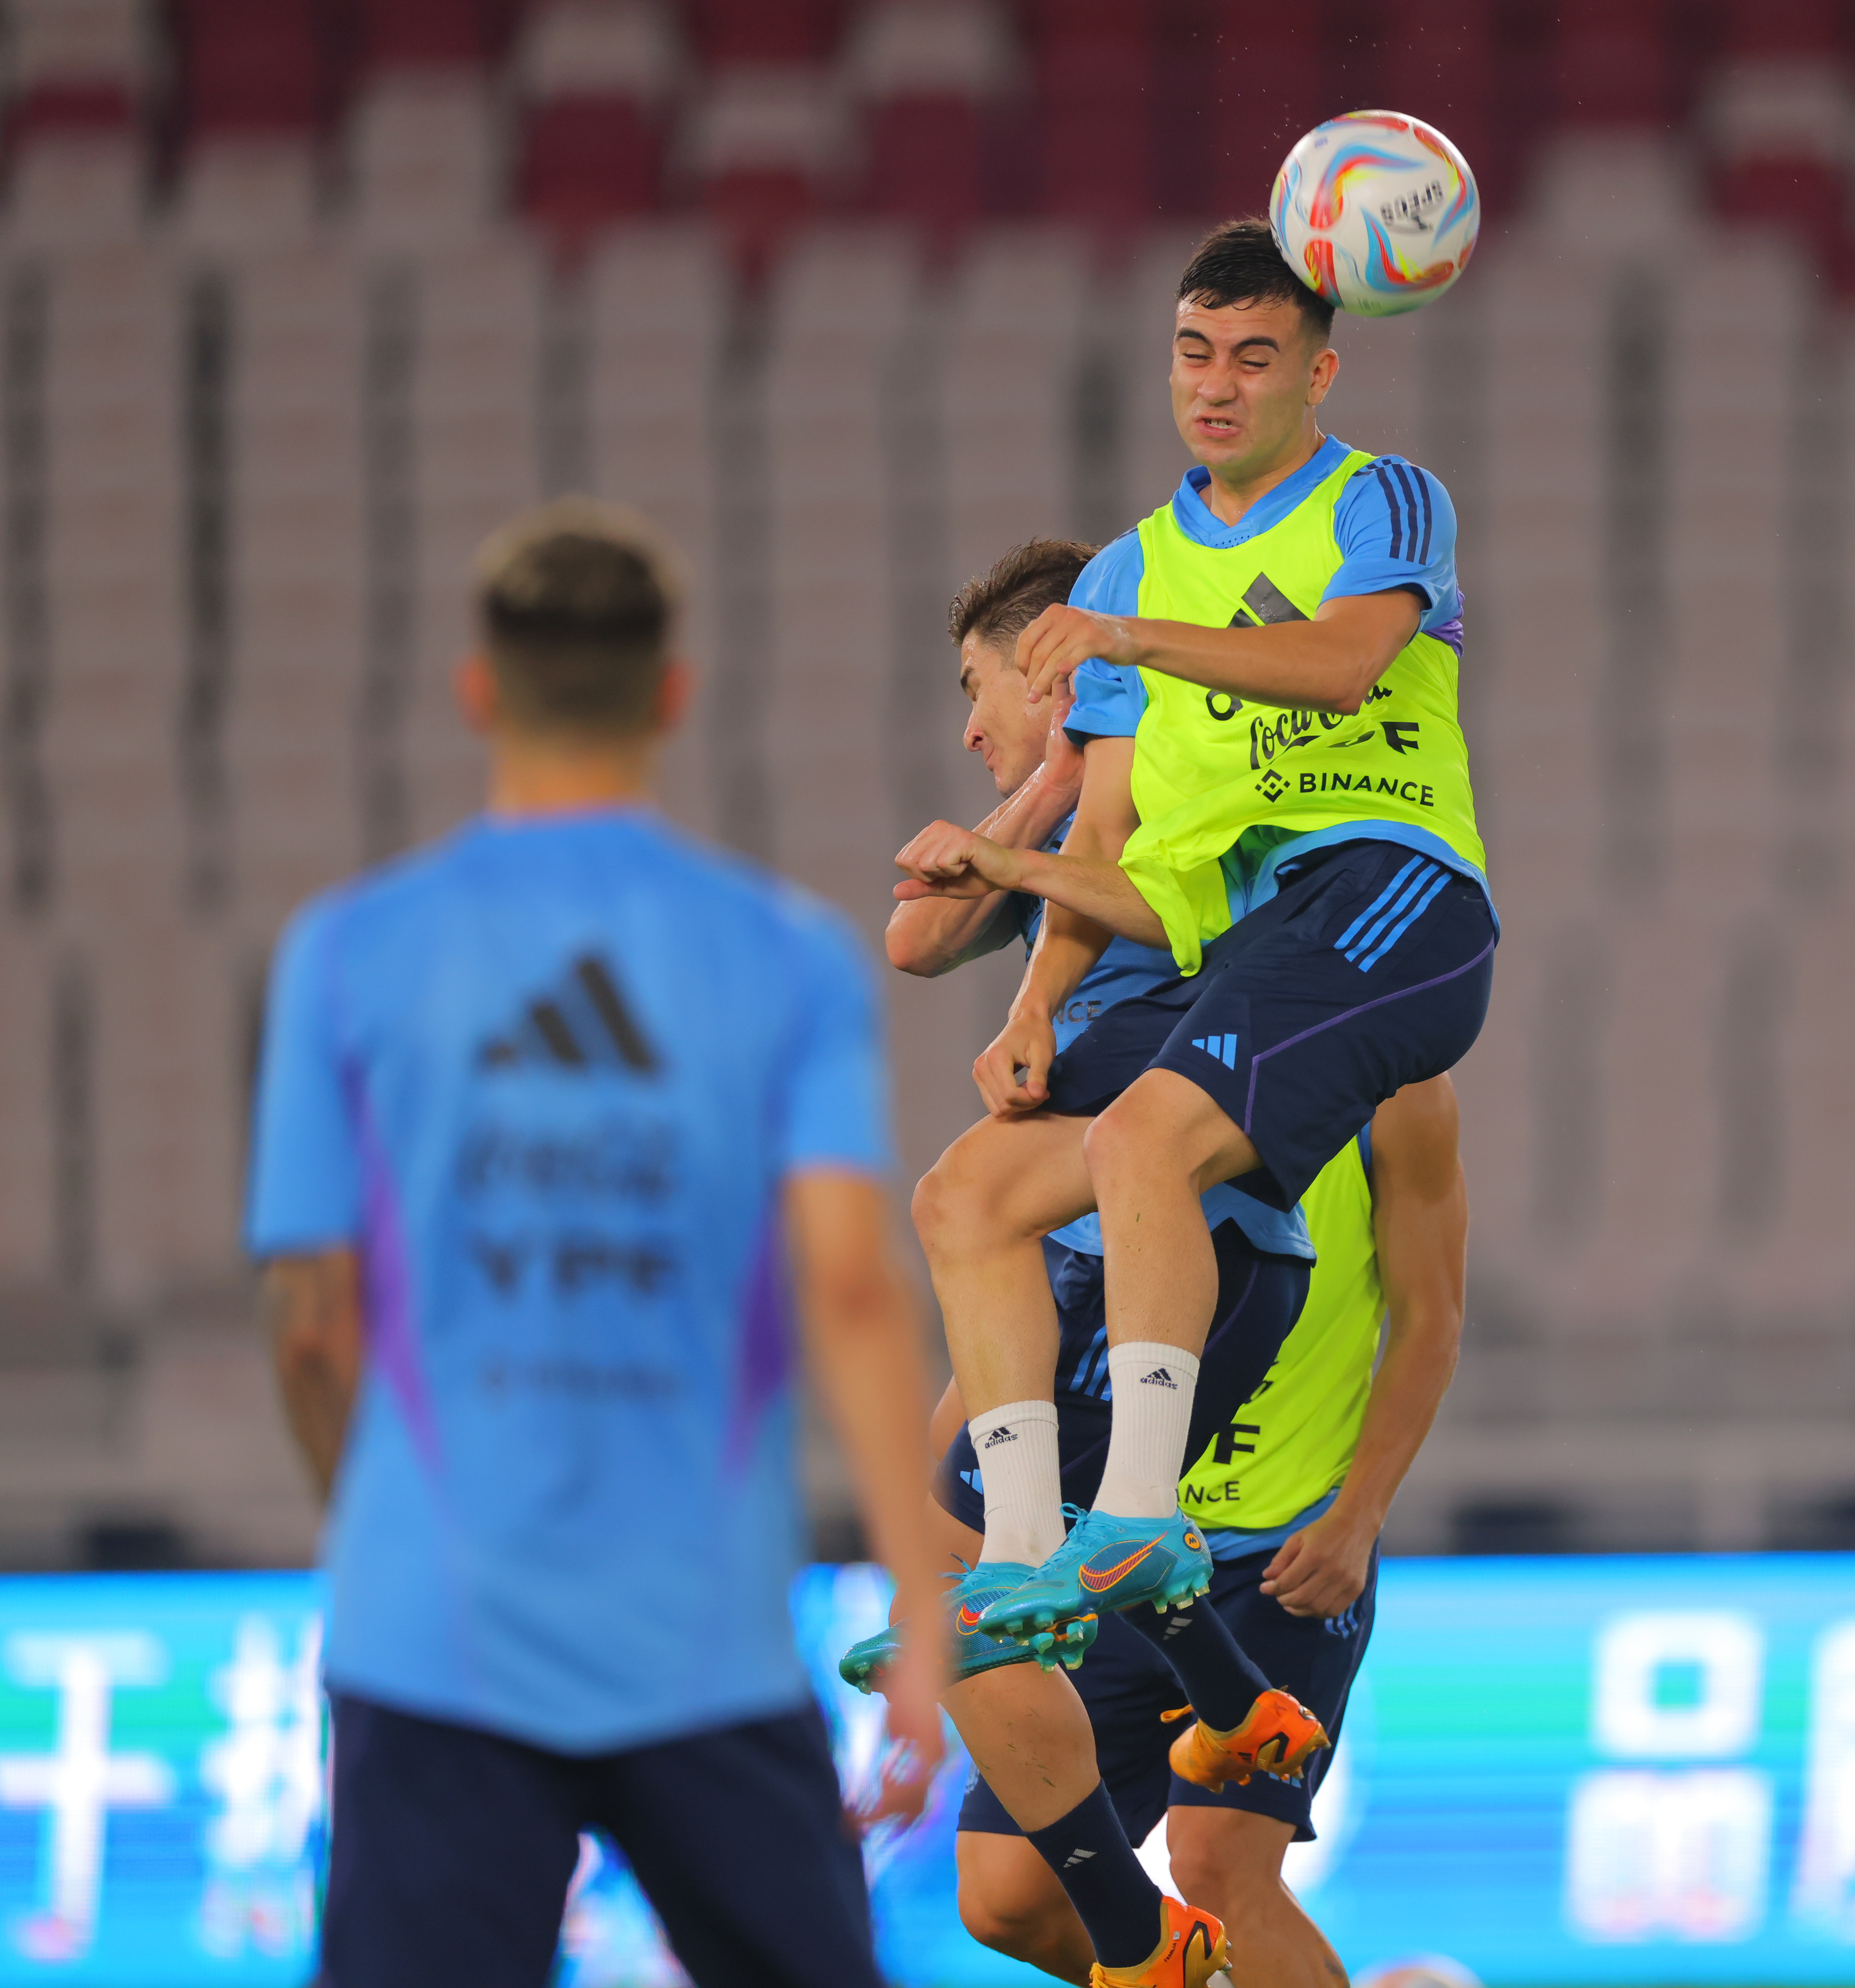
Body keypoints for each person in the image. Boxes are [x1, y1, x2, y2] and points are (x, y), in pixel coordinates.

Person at [249, 500, 949, 1986]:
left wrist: (379, 1517)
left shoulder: (349, 949)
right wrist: (923, 1619)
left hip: (434, 1630)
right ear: (673, 697)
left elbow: (313, 1321)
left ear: (479, 690)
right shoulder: (785, 952)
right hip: (703, 1638)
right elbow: (849, 1286)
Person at [853, 539, 1466, 1988]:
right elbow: (913, 931)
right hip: (1100, 1337)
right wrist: (1050, 778)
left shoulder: (1250, 861)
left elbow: (1431, 1304)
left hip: (1278, 1499)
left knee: (1218, 1863)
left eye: (976, 689)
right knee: (1002, 1895)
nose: (962, 725)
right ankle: (1187, 1787)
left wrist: (1364, 1508)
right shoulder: (1083, 821)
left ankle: (1162, 1912)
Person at [885, 218, 1492, 1668]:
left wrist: (1142, 640)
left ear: (1320, 376)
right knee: (965, 1195)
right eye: (1193, 352)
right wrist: (1034, 999)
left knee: (1146, 1144)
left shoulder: (1381, 498)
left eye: (1257, 357)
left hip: (1396, 890)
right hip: (1264, 935)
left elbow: (1350, 665)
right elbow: (1096, 844)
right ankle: (1027, 1556)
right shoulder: (1121, 575)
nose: (1216, 385)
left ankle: (1142, 1516)